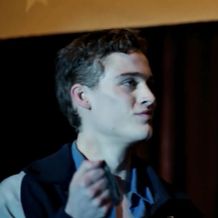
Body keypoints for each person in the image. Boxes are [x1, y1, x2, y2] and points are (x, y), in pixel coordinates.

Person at [0, 28, 202, 218]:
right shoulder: (19, 194)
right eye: (129, 82)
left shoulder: (177, 205)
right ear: (82, 96)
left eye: (148, 84)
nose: (150, 97)